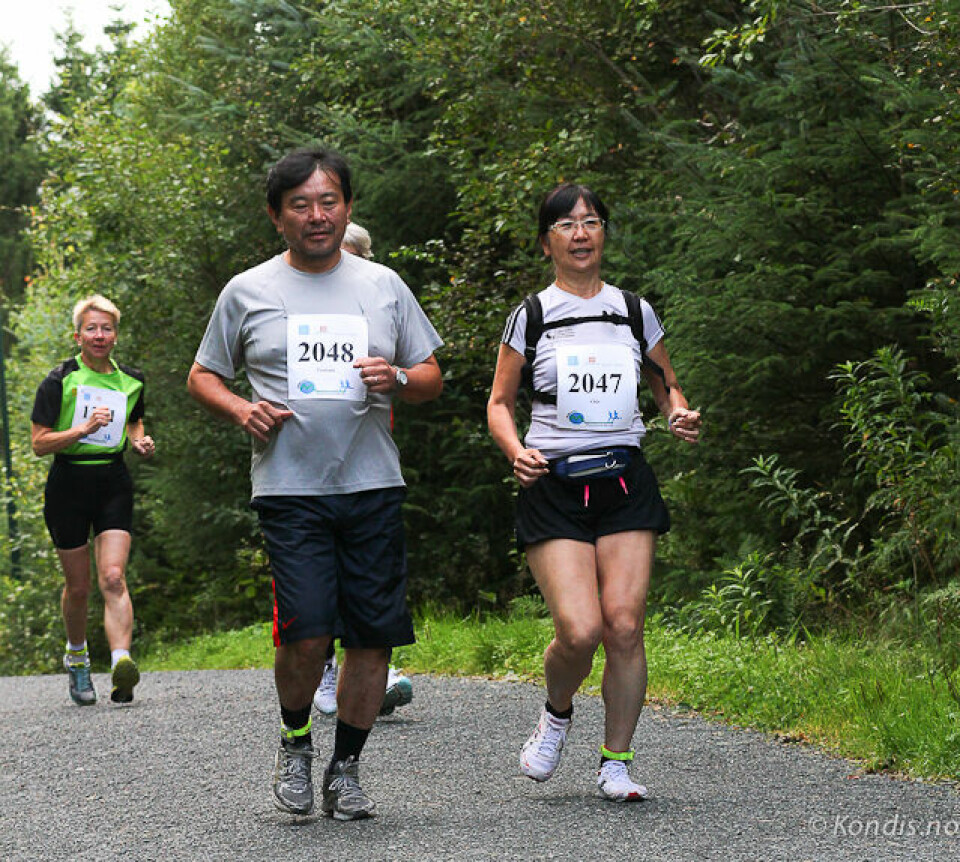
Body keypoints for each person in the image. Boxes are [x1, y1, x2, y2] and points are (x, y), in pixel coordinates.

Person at [187, 147, 443, 821]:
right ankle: (296, 741)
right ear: (277, 217)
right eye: (299, 204)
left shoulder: (383, 285)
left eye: (328, 202)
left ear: (348, 208)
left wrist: (401, 379)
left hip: (372, 483)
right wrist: (243, 409)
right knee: (305, 634)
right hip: (289, 489)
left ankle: (347, 769)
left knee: (371, 637)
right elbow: (203, 375)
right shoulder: (248, 291)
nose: (316, 215)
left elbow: (431, 377)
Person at [487, 183, 701, 802]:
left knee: (625, 625)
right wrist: (515, 450)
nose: (580, 234)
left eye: (591, 222)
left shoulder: (634, 311)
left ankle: (616, 762)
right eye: (566, 225)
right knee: (580, 631)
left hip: (625, 480)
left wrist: (678, 414)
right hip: (554, 484)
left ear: (604, 233)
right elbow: (500, 404)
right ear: (547, 240)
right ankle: (556, 714)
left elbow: (667, 388)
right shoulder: (531, 314)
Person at [30, 295, 155, 707]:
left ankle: (122, 664)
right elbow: (39, 442)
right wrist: (81, 429)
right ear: (77, 335)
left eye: (106, 328)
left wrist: (139, 441)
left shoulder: (131, 380)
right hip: (68, 483)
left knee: (114, 576)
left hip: (112, 480)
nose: (99, 335)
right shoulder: (59, 380)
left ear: (115, 334)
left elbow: (133, 421)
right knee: (79, 587)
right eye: (91, 328)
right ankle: (78, 657)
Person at [313, 220, 414, 720]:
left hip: (370, 463)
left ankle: (376, 666)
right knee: (321, 578)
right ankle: (327, 665)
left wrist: (395, 374)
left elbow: (419, 371)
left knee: (370, 581)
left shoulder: (382, 300)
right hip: (306, 475)